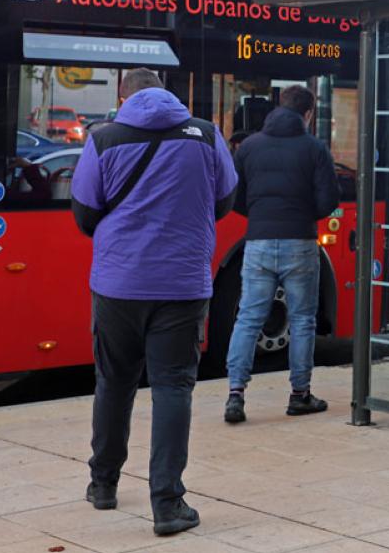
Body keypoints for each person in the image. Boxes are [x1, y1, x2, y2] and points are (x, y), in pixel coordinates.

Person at [70, 68, 237, 536]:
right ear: (167, 91)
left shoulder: (103, 139)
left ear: (124, 95)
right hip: (182, 286)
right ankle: (168, 504)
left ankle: (102, 484)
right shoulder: (204, 136)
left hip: (118, 284)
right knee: (172, 388)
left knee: (114, 383)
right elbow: (225, 199)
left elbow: (84, 212)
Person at [224, 84, 341, 424]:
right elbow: (329, 199)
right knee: (303, 320)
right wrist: (303, 213)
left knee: (247, 318)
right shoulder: (315, 149)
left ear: (279, 106)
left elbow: (236, 197)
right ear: (308, 114)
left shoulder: (249, 147)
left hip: (258, 241)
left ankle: (235, 395)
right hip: (300, 242)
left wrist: (260, 215)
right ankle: (300, 395)